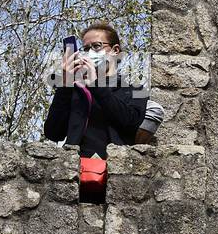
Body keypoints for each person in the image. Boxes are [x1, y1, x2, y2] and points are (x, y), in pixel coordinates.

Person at [44, 22, 148, 158]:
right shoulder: (76, 91)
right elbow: (53, 133)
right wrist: (65, 85)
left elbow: (132, 124)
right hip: (76, 170)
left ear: (115, 50)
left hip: (117, 170)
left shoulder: (136, 90)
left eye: (96, 46)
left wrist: (96, 85)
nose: (90, 53)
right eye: (86, 49)